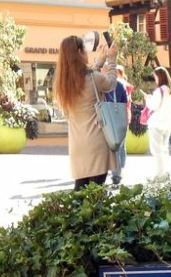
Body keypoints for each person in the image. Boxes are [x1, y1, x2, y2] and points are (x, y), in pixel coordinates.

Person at [55, 34, 118, 190]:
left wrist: (99, 62)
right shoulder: (93, 78)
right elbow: (110, 83)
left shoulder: (63, 84)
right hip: (96, 142)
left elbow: (88, 79)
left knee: (80, 190)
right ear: (79, 52)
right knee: (95, 192)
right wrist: (112, 60)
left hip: (77, 145)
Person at [141, 66, 171, 181]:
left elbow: (153, 106)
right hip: (167, 125)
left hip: (157, 124)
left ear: (159, 77)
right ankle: (165, 173)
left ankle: (159, 175)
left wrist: (148, 99)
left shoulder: (159, 91)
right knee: (164, 150)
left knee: (156, 151)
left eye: (155, 77)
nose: (155, 79)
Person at [104, 65, 130, 185]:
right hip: (120, 117)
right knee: (120, 146)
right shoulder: (120, 85)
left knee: (112, 147)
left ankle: (116, 174)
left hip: (108, 118)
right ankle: (119, 170)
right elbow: (125, 101)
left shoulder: (104, 84)